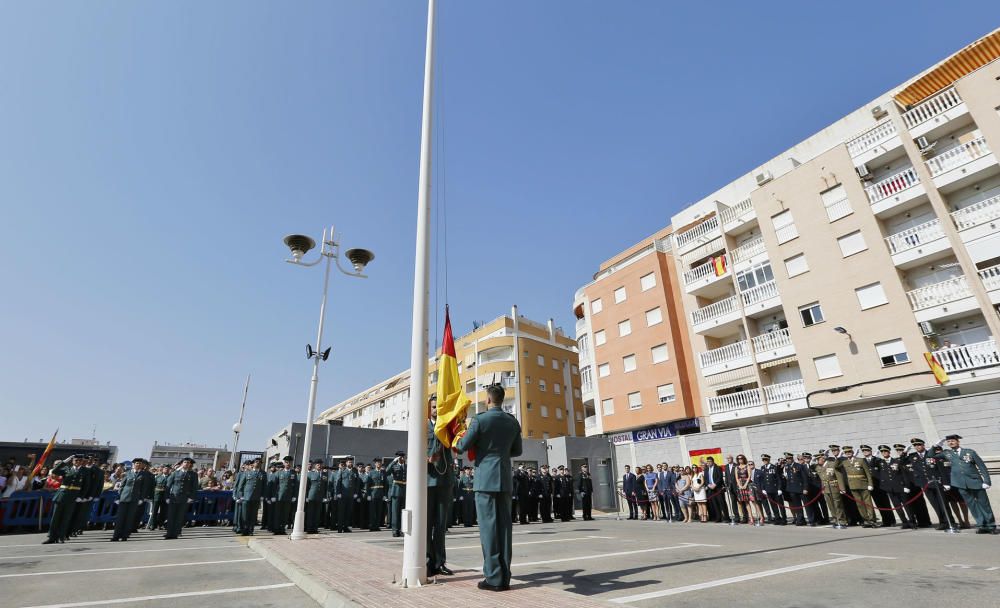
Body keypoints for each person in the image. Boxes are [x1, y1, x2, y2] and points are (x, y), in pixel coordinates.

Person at [455, 382, 522, 592]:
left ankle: (493, 577)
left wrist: (456, 438)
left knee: (488, 529)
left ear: (489, 400)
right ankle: (505, 576)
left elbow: (462, 446)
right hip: (504, 477)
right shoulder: (512, 421)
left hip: (485, 479)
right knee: (504, 529)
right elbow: (517, 451)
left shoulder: (480, 420)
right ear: (501, 399)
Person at [935, 434, 995, 534]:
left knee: (984, 504)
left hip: (975, 482)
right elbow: (931, 455)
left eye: (953, 440)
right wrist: (935, 446)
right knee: (972, 505)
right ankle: (981, 525)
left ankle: (991, 525)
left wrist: (987, 481)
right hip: (960, 484)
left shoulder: (969, 452)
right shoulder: (947, 453)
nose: (951, 442)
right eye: (948, 441)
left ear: (958, 441)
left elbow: (982, 466)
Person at [425, 395, 456, 576]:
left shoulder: (448, 425)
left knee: (441, 524)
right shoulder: (422, 426)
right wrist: (426, 458)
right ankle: (428, 561)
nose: (437, 410)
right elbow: (414, 450)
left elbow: (456, 445)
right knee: (427, 524)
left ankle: (439, 562)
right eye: (434, 407)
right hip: (428, 480)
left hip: (445, 480)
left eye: (439, 407)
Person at [904, 438, 954, 531]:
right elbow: (901, 462)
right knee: (935, 504)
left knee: (943, 504)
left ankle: (950, 522)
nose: (917, 447)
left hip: (937, 483)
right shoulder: (912, 456)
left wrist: (946, 482)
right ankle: (942, 522)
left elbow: (940, 468)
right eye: (915, 445)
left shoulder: (931, 454)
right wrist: (904, 453)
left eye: (919, 445)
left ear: (923, 445)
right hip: (925, 484)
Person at [42, 455, 86, 544]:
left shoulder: (85, 471)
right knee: (55, 517)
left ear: (82, 462)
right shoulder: (66, 469)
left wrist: (81, 496)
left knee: (66, 518)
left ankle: (61, 536)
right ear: (72, 461)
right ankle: (51, 537)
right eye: (76, 460)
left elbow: (86, 485)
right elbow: (55, 471)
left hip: (73, 496)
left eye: (80, 460)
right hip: (62, 495)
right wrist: (64, 461)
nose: (77, 462)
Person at [111, 458, 153, 542]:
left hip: (135, 499)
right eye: (137, 463)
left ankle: (124, 536)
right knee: (120, 518)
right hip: (124, 498)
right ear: (133, 464)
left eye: (140, 463)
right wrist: (118, 497)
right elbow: (122, 486)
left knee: (129, 518)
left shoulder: (144, 475)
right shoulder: (127, 473)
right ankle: (116, 535)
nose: (138, 465)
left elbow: (144, 488)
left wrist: (141, 498)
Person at [841, 446, 877, 528]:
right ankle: (866, 520)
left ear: (852, 452)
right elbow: (835, 466)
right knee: (860, 504)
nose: (848, 453)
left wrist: (870, 484)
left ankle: (872, 520)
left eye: (849, 452)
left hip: (863, 484)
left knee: (868, 503)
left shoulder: (860, 460)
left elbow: (867, 473)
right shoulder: (845, 462)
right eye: (846, 452)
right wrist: (839, 456)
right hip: (853, 486)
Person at [163, 457, 198, 539]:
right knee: (171, 516)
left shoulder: (193, 474)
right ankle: (169, 533)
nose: (186, 464)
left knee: (180, 516)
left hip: (184, 498)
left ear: (190, 464)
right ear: (182, 463)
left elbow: (194, 487)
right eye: (185, 462)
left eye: (188, 462)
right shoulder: (175, 473)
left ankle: (176, 532)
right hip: (174, 497)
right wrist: (167, 497)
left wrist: (191, 497)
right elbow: (168, 485)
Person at [234, 458, 267, 535]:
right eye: (256, 462)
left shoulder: (263, 474)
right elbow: (241, 486)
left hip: (256, 497)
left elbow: (264, 486)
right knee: (245, 514)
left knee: (253, 514)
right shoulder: (247, 473)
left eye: (260, 462)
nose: (258, 463)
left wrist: (262, 495)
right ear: (253, 464)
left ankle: (250, 530)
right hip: (246, 497)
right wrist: (241, 496)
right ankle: (244, 529)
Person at [820, 446, 848, 529]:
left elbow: (839, 476)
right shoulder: (821, 466)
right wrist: (822, 488)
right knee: (831, 505)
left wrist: (842, 488)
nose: (822, 458)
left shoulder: (832, 463)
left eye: (824, 456)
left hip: (836, 486)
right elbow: (822, 479)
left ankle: (842, 521)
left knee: (838, 505)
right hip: (827, 488)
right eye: (821, 456)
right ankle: (836, 520)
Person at [703, 457, 727, 523]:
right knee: (715, 504)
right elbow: (705, 479)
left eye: (710, 461)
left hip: (718, 488)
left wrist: (715, 484)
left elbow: (720, 477)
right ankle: (718, 518)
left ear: (713, 461)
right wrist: (708, 485)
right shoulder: (706, 469)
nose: (708, 463)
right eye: (707, 461)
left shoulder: (718, 468)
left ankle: (726, 517)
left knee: (722, 503)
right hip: (710, 489)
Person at [733, 455, 751, 525]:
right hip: (739, 486)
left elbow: (749, 476)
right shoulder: (736, 467)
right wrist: (740, 485)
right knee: (740, 502)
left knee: (747, 502)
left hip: (746, 484)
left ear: (744, 459)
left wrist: (745, 485)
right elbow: (736, 478)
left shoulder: (747, 466)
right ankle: (742, 517)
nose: (740, 460)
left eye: (741, 458)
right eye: (738, 459)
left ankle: (750, 517)